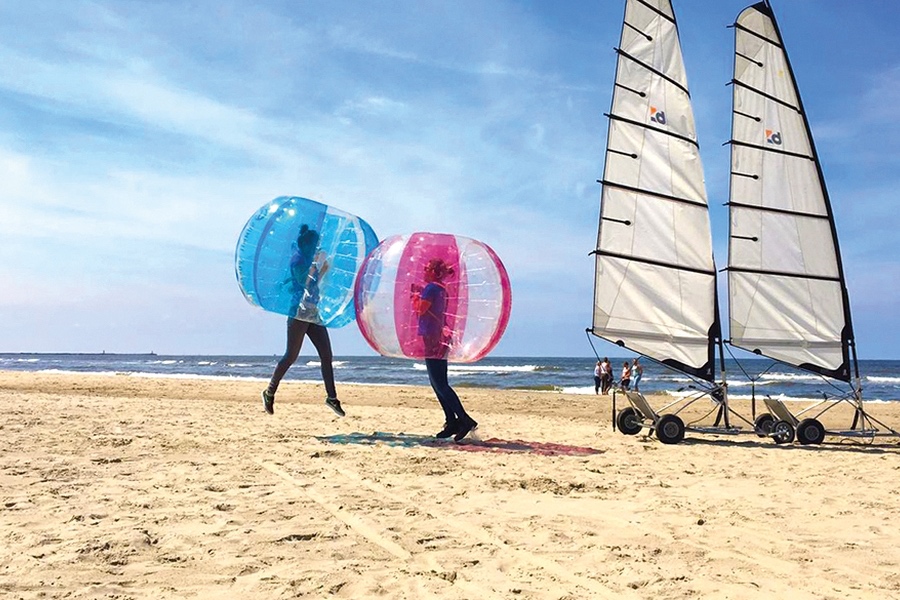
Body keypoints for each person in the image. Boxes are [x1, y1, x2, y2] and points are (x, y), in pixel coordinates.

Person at [261, 224, 345, 418]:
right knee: (291, 356)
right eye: (315, 244)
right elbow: (305, 283)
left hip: (312, 312)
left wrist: (322, 268)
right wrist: (318, 266)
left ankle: (332, 398)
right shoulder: (298, 260)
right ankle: (270, 391)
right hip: (298, 312)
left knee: (326, 354)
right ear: (307, 244)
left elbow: (314, 283)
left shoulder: (307, 258)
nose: (318, 247)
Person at [412, 257, 477, 442]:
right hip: (439, 336)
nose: (424, 271)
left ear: (433, 271)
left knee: (439, 383)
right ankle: (451, 422)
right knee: (438, 383)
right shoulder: (441, 289)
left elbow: (421, 310)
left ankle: (464, 419)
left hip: (433, 337)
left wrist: (415, 298)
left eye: (426, 268)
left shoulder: (431, 288)